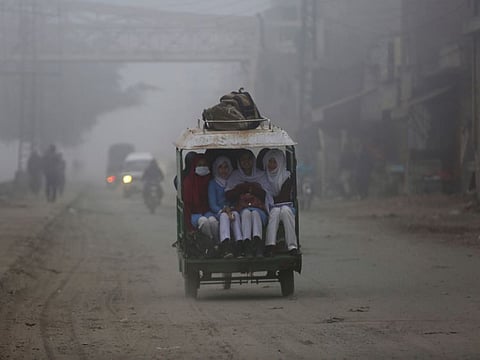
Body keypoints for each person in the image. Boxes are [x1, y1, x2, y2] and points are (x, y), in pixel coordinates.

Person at [225, 149, 272, 258]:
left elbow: (267, 194)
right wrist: (244, 188)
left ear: (253, 161)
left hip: (259, 209)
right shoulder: (235, 176)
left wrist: (251, 188)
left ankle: (258, 244)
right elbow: (229, 194)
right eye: (243, 160)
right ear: (239, 162)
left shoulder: (261, 175)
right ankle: (247, 246)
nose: (246, 162)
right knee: (246, 213)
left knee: (254, 214)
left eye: (249, 159)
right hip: (242, 209)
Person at [263, 149, 298, 256]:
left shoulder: (286, 176)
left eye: (274, 162)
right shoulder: (263, 177)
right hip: (270, 207)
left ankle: (292, 246)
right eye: (270, 162)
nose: (271, 165)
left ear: (280, 163)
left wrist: (274, 200)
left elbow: (284, 197)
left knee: (285, 211)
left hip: (286, 206)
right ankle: (270, 245)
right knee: (275, 212)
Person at [182, 154, 219, 253]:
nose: (202, 167)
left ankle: (217, 242)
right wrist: (189, 226)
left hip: (208, 211)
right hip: (194, 214)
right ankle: (212, 245)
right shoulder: (189, 181)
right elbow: (187, 205)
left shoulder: (212, 179)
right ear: (194, 166)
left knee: (213, 222)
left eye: (204, 165)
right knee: (204, 222)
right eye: (199, 165)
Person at [208, 156, 242, 259]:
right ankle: (226, 245)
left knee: (235, 215)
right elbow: (213, 204)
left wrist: (231, 209)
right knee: (224, 216)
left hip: (232, 210)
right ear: (216, 169)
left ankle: (239, 244)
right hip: (219, 212)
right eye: (220, 167)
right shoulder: (213, 183)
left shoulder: (234, 181)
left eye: (226, 167)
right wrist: (224, 210)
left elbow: (237, 199)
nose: (224, 170)